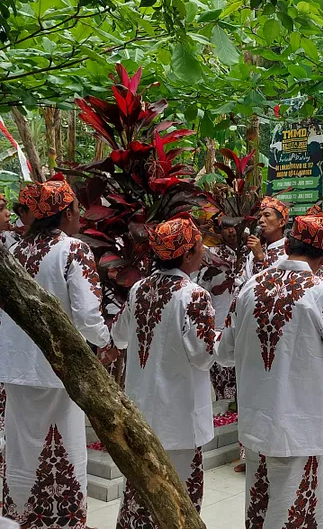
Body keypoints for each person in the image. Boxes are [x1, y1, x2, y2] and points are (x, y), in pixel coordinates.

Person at [217, 215, 323, 529]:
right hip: (301, 424)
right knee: (296, 509)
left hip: (256, 422)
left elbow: (224, 353)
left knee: (261, 504)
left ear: (289, 244)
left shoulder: (250, 286)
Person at [0, 176, 111, 528]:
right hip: (59, 370)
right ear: (64, 214)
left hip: (15, 369)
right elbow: (88, 314)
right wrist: (107, 343)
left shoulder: (15, 251)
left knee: (21, 450)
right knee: (63, 448)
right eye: (76, 209)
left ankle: (20, 519)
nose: (79, 216)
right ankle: (62, 521)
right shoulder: (72, 249)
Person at [112, 217, 215, 527]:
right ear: (186, 254)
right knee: (176, 500)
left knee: (141, 490)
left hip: (140, 411)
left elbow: (118, 336)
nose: (203, 253)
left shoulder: (138, 289)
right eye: (199, 247)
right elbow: (203, 356)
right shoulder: (193, 294)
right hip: (179, 418)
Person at [197, 216, 240, 402]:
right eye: (226, 228)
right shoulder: (212, 254)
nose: (231, 231)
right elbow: (201, 286)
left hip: (242, 320)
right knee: (221, 366)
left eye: (234, 227)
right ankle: (225, 406)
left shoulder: (250, 252)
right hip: (219, 318)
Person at [243, 196, 289, 282]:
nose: (261, 220)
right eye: (259, 217)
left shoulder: (289, 251)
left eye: (267, 215)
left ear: (281, 222)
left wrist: (260, 259)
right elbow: (242, 281)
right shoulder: (255, 249)